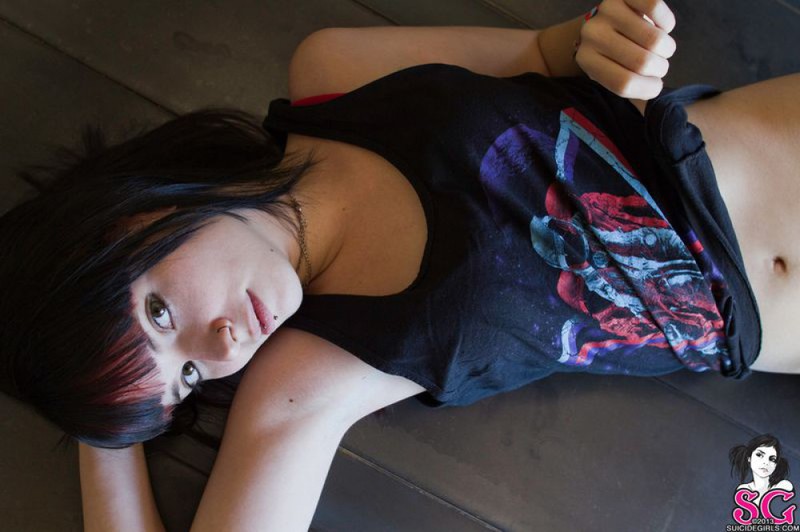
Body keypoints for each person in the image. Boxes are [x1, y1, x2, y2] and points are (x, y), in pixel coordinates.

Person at [0, 0, 797, 529]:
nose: (220, 349)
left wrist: (608, 32)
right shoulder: (305, 383)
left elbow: (545, 52)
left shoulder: (332, 79)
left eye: (160, 315)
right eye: (184, 380)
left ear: (130, 216)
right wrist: (104, 419)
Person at [730, 434, 794, 506]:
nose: (766, 462)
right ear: (749, 458)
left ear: (776, 465)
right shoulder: (744, 490)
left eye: (772, 459)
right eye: (759, 455)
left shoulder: (783, 486)